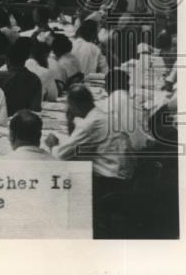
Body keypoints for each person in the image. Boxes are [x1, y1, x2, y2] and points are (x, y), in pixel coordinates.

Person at [45, 84, 134, 237]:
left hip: (110, 179)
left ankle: (71, 228)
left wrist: (53, 144)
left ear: (75, 105)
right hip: (123, 171)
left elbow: (60, 155)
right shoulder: (100, 114)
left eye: (70, 106)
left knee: (61, 177)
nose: (69, 109)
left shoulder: (90, 123)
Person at [0, 37, 43, 114]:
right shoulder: (34, 79)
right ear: (25, 59)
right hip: (23, 121)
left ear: (7, 60)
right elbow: (36, 109)